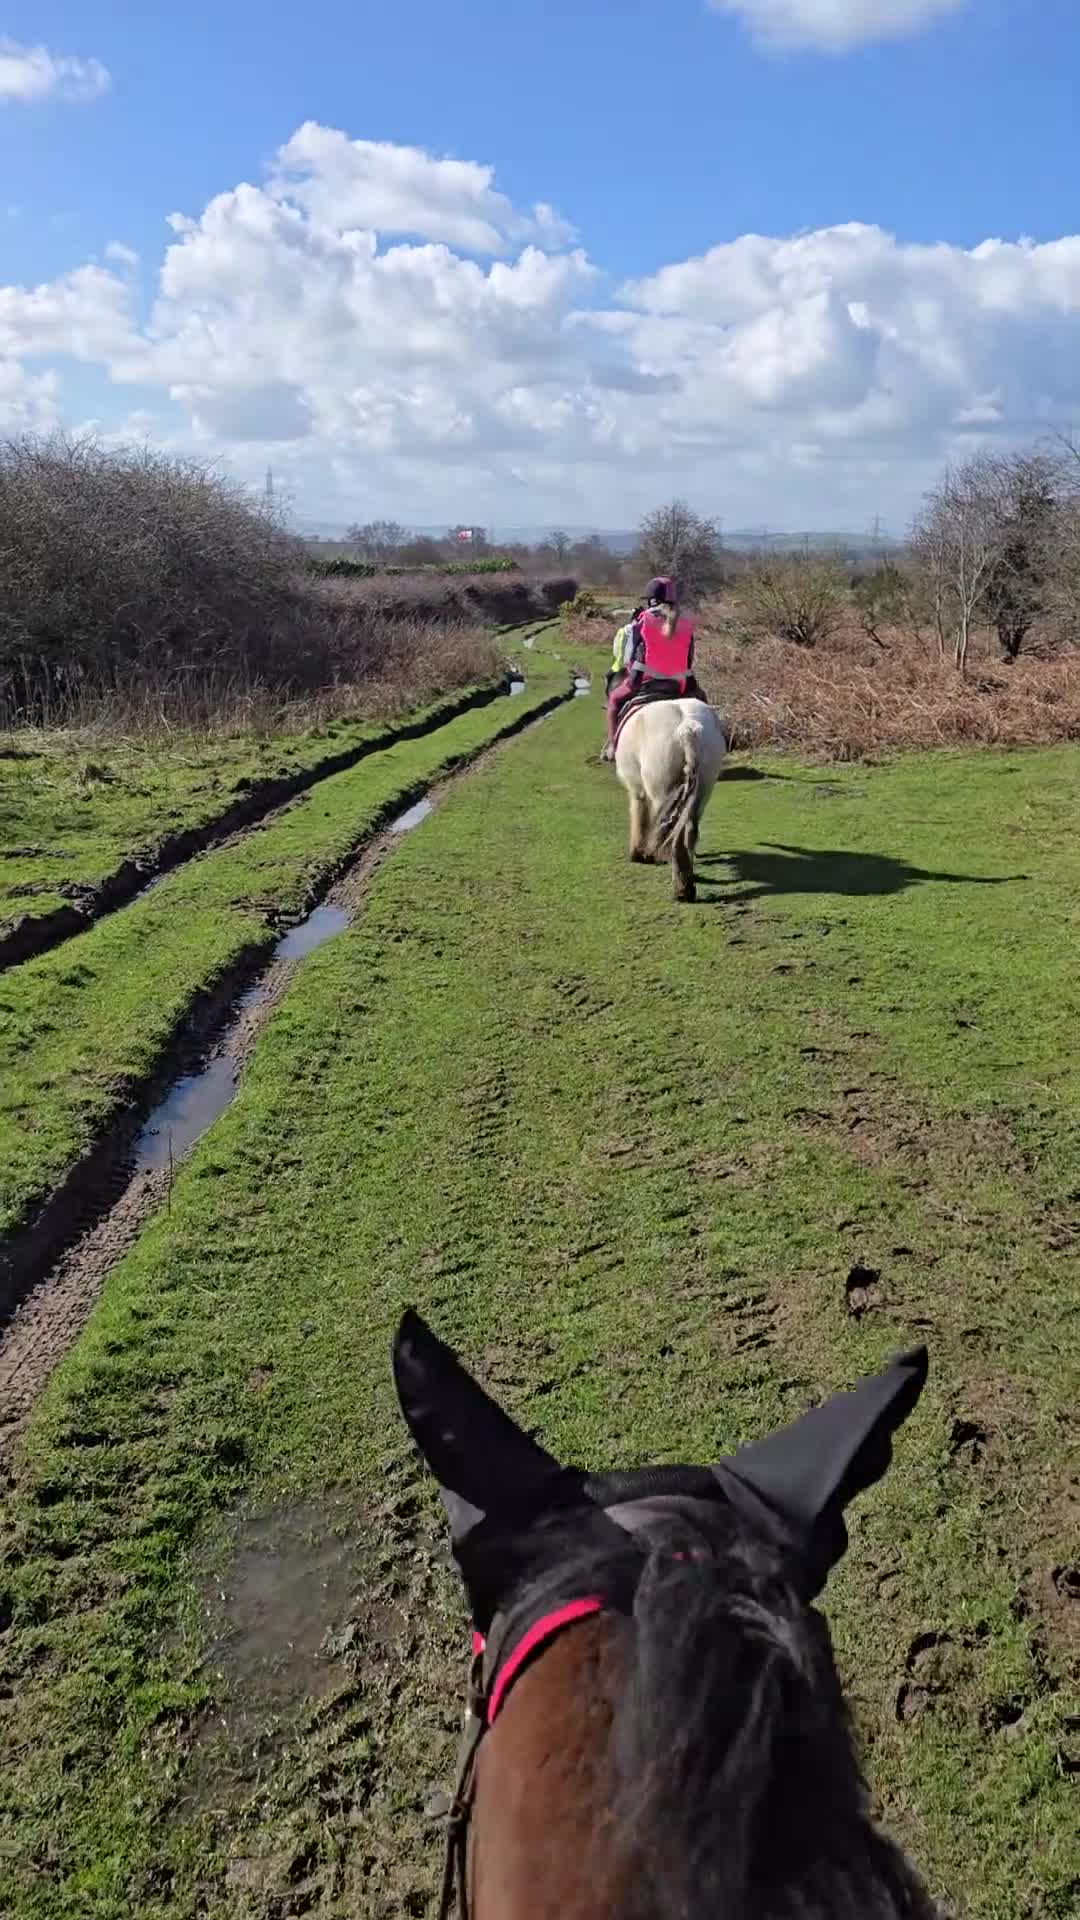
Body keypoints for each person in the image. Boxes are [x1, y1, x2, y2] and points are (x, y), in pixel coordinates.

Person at [603, 577, 705, 758]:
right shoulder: (687, 622)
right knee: (703, 704)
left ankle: (613, 747)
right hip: (680, 684)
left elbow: (629, 658)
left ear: (651, 600)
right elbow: (690, 659)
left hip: (644, 682)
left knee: (613, 701)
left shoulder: (642, 621)